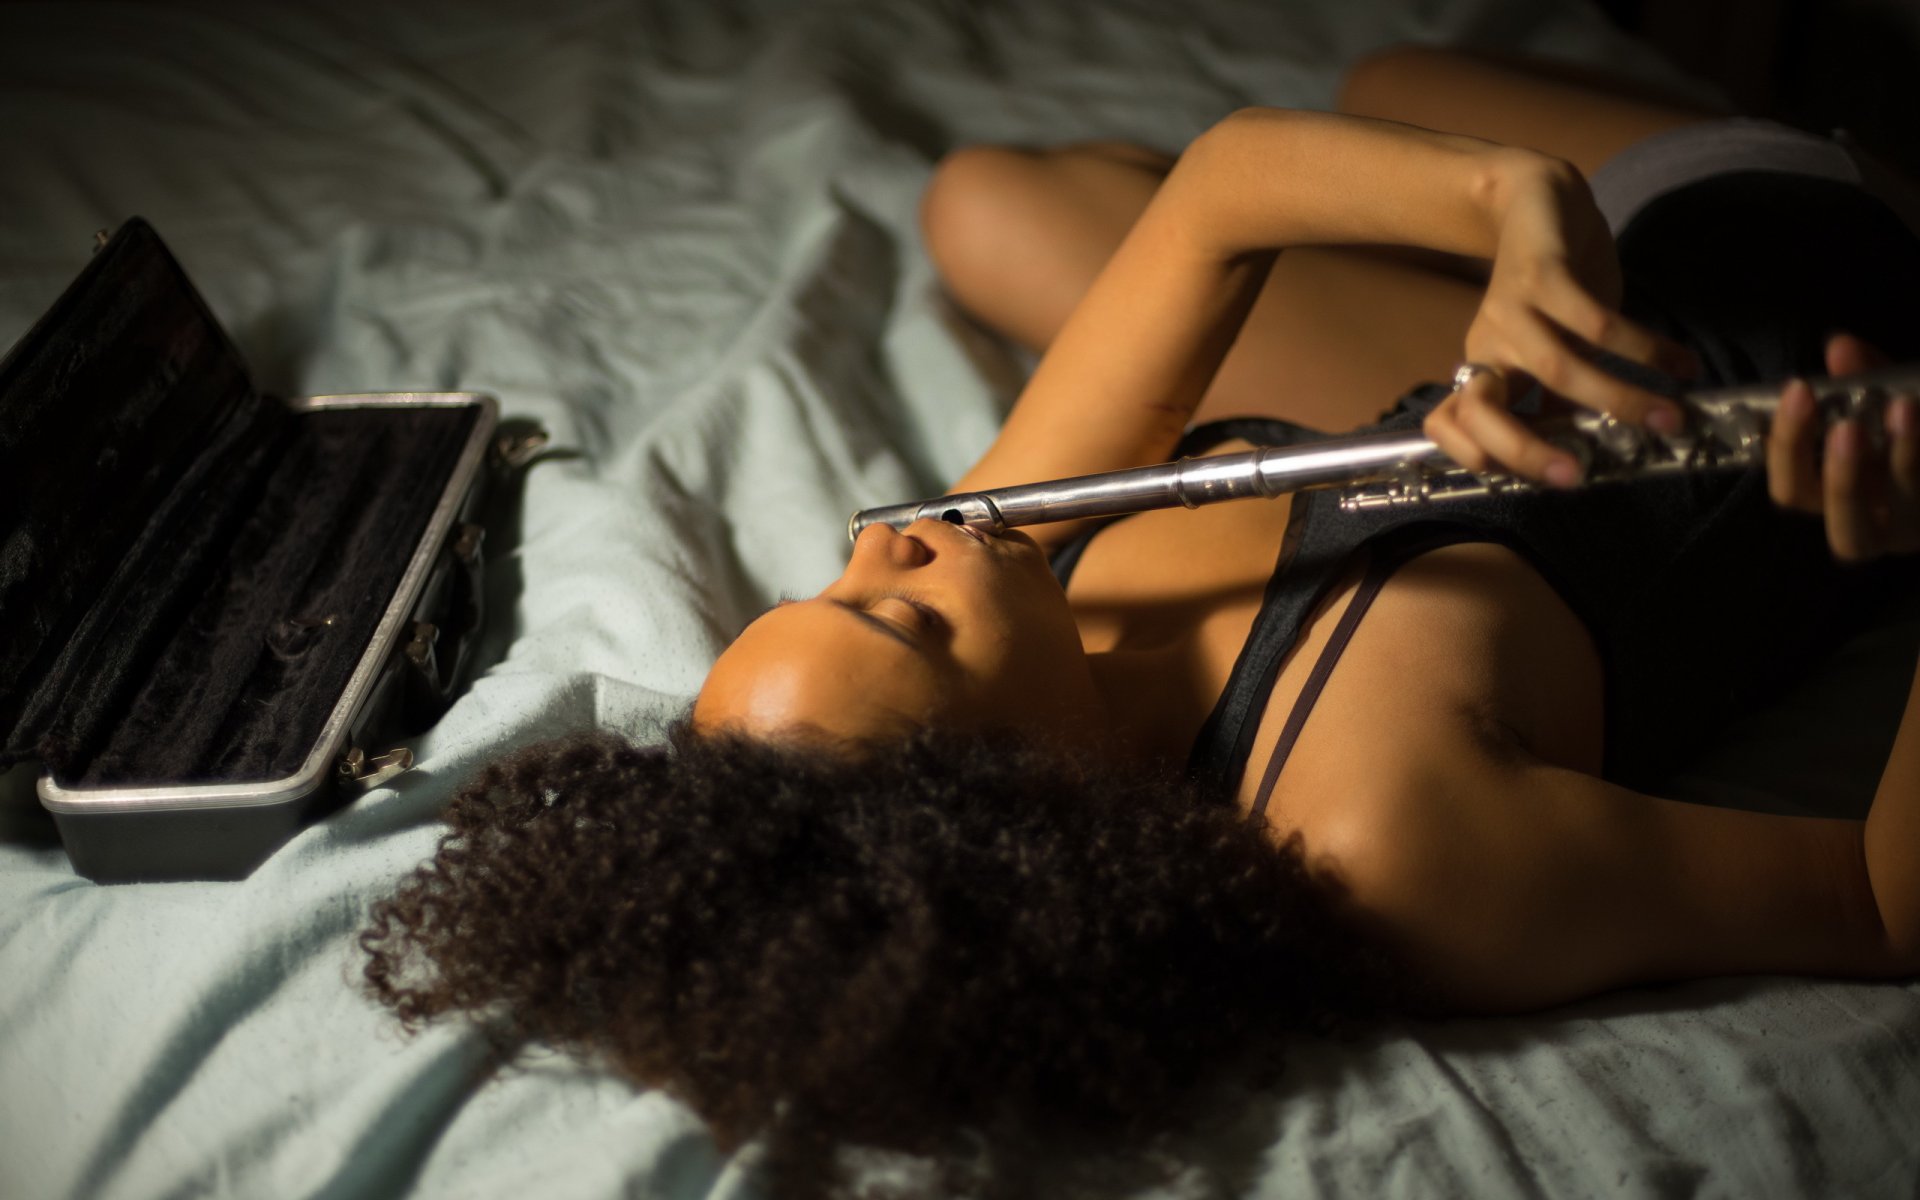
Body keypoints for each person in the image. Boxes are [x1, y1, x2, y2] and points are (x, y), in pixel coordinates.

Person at [362, 47, 1920, 1198]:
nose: (897, 539)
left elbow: (1227, 188)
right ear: (1014, 809)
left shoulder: (1032, 577)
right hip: (1828, 298)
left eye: (831, 582)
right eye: (902, 620)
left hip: (1556, 308)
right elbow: (1877, 899)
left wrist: (1517, 206)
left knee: (1048, 188)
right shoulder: (1388, 843)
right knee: (1382, 111)